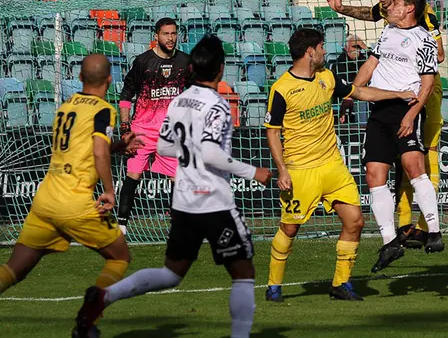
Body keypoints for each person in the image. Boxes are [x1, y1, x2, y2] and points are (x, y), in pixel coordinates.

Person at [74, 35, 273, 338]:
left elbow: (165, 147)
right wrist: (253, 171)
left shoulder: (179, 101)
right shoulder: (217, 105)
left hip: (183, 201)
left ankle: (104, 296)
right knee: (244, 274)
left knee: (171, 273)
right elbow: (210, 154)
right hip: (213, 202)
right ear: (220, 69)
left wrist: (190, 148)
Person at [263, 29, 416, 302]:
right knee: (290, 229)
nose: (324, 51)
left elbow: (361, 92)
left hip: (333, 166)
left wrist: (398, 94)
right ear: (310, 51)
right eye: (321, 46)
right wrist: (283, 170)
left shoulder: (327, 77)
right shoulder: (281, 88)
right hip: (301, 171)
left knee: (355, 222)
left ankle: (340, 283)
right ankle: (274, 285)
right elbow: (272, 132)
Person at [0, 55, 142, 334]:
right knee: (119, 257)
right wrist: (110, 191)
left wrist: (117, 146)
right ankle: (87, 320)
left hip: (45, 199)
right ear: (110, 80)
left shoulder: (67, 105)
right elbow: (98, 151)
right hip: (75, 202)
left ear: (79, 78)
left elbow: (86, 148)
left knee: (14, 269)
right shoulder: (103, 110)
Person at [326, 0, 443, 249]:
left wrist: (413, 49)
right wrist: (341, 8)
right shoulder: (389, 17)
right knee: (390, 166)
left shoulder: (423, 17)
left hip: (420, 90)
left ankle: (428, 227)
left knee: (420, 159)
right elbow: (370, 14)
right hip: (386, 96)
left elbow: (437, 53)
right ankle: (400, 229)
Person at [117, 18, 192, 235]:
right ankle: (121, 224)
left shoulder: (185, 62)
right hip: (142, 130)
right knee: (133, 175)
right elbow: (126, 95)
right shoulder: (143, 62)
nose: (171, 38)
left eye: (174, 33)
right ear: (156, 36)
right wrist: (125, 128)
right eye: (166, 34)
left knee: (176, 177)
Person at [331, 35, 368, 124]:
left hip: (365, 95)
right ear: (346, 48)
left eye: (359, 47)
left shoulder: (365, 60)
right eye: (354, 46)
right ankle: (361, 129)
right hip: (348, 96)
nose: (357, 49)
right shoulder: (339, 63)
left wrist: (366, 48)